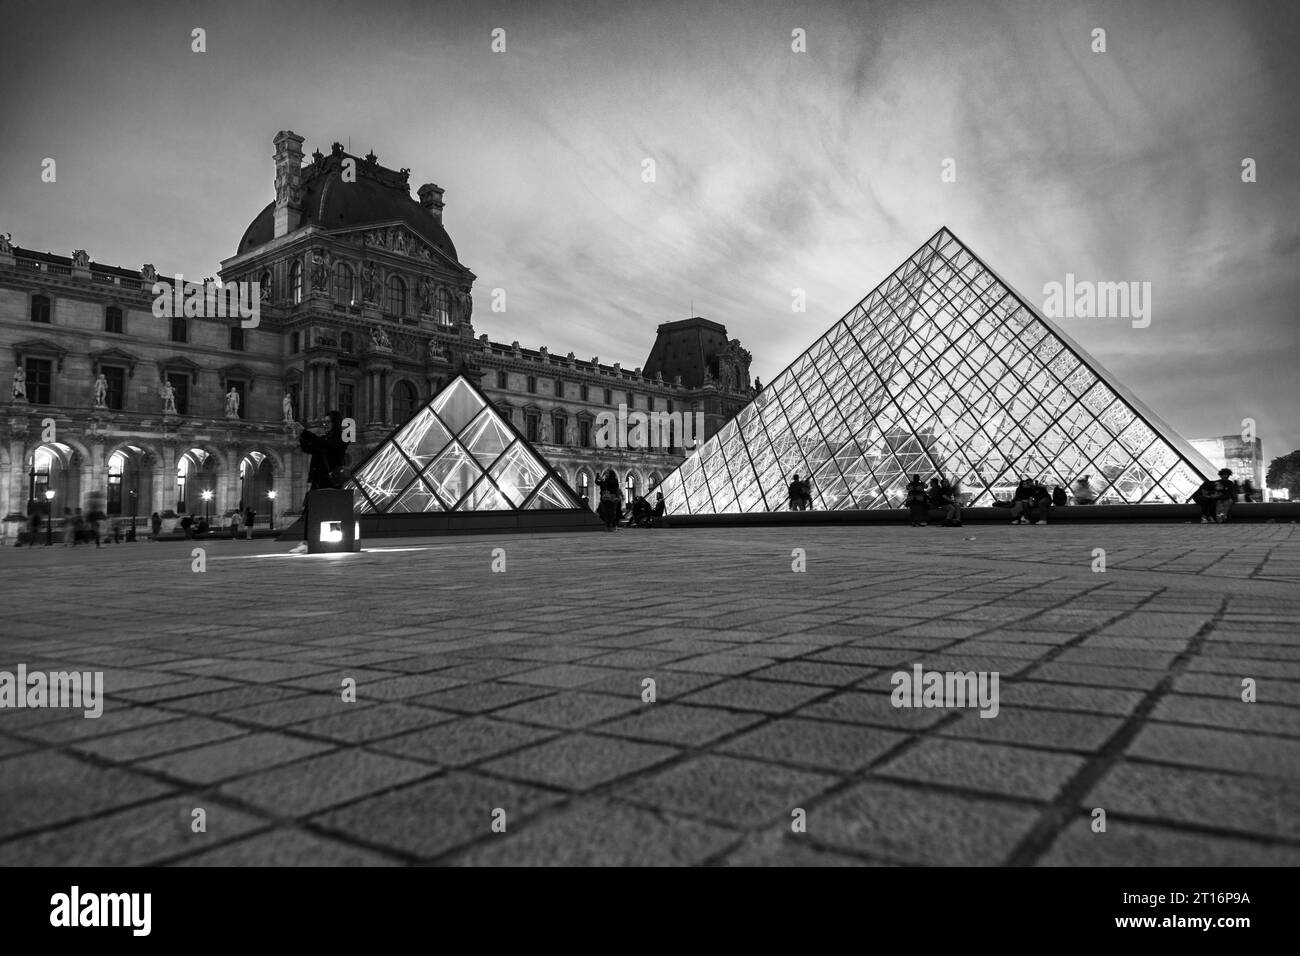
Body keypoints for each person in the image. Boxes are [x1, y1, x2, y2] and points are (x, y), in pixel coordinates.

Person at [290, 410, 348, 553]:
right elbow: (309, 448)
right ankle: (308, 542)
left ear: (336, 423)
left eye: (328, 422)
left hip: (330, 481)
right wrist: (300, 436)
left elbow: (324, 445)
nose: (325, 425)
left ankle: (331, 541)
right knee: (311, 512)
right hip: (319, 480)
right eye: (324, 422)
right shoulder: (325, 439)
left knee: (331, 513)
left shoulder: (341, 439)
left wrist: (305, 433)